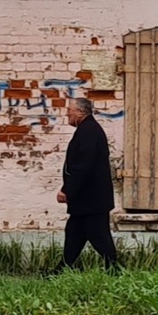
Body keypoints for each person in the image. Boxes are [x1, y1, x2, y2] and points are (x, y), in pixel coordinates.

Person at [56, 96, 120, 271]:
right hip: (88, 199)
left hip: (91, 199)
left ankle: (115, 270)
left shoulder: (89, 132)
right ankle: (62, 269)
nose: (67, 114)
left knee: (99, 237)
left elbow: (83, 165)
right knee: (74, 234)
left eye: (69, 111)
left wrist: (67, 190)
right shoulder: (88, 129)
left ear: (80, 112)